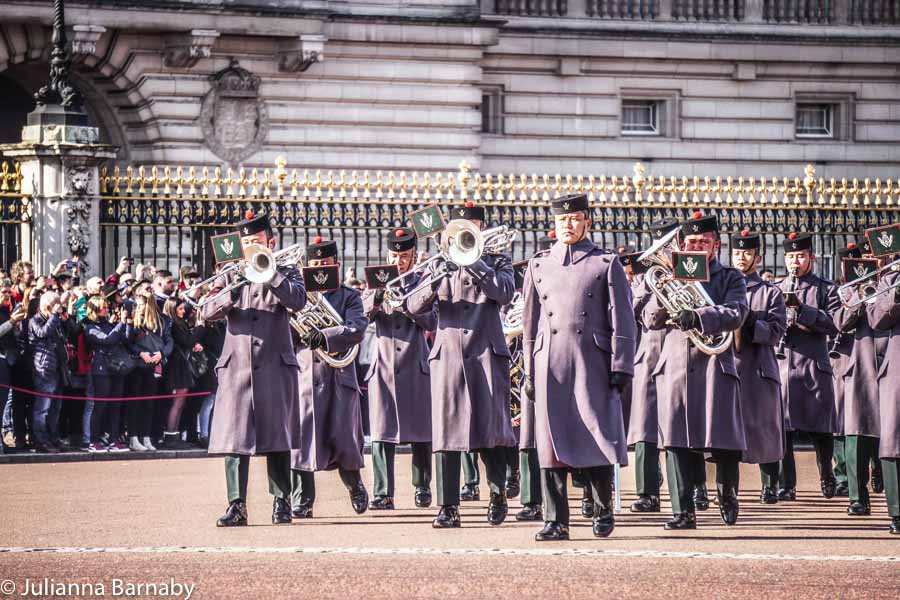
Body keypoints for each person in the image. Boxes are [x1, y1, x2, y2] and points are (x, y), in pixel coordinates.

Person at [522, 193, 636, 541]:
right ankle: (556, 520)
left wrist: (621, 364)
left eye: (574, 219)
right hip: (550, 362)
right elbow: (530, 323)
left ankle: (602, 509)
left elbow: (624, 319)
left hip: (592, 361)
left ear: (587, 221)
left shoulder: (605, 263)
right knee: (550, 443)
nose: (567, 225)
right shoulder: (538, 265)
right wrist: (529, 369)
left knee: (595, 433)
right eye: (561, 220)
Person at [407, 201, 517, 528]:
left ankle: (497, 494)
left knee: (491, 430)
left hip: (485, 354)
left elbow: (505, 293)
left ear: (482, 228)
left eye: (472, 228)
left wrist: (477, 263)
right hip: (449, 358)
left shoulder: (498, 260)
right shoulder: (438, 264)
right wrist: (435, 276)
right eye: (459, 230)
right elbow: (413, 306)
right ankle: (448, 506)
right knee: (447, 434)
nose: (466, 234)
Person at [202, 211, 307, 527]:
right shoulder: (229, 274)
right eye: (245, 243)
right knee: (235, 439)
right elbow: (207, 312)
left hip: (274, 364)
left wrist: (271, 275)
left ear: (270, 243)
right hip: (237, 368)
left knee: (277, 436)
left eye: (256, 242)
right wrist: (231, 287)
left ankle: (282, 501)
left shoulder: (287, 271)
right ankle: (237, 504)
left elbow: (298, 301)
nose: (250, 248)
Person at [645, 211, 749, 530]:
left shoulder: (731, 277)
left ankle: (727, 493)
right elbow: (649, 319)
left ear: (715, 245)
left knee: (723, 437)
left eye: (704, 241)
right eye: (691, 242)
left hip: (715, 364)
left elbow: (737, 313)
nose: (697, 246)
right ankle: (682, 510)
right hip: (677, 364)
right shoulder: (670, 275)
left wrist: (699, 315)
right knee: (676, 439)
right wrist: (667, 301)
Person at [290, 236, 370, 518]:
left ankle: (355, 485)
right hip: (305, 374)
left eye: (326, 263)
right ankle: (303, 499)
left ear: (335, 263)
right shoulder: (298, 296)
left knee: (344, 437)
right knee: (302, 439)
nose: (320, 267)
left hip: (338, 374)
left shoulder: (349, 295)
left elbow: (357, 327)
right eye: (315, 263)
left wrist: (323, 335)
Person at [362, 228, 437, 510]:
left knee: (421, 432)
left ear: (413, 257)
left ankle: (422, 486)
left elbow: (433, 321)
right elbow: (362, 314)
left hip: (415, 362)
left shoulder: (422, 281)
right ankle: (383, 492)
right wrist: (378, 297)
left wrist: (407, 306)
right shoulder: (375, 281)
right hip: (382, 365)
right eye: (394, 256)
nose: (399, 262)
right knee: (382, 433)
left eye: (404, 256)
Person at [777, 232, 841, 501]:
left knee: (820, 430)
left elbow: (834, 323)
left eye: (800, 256)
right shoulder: (777, 287)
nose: (795, 261)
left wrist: (803, 311)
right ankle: (786, 483)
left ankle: (827, 475)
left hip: (814, 366)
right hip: (784, 367)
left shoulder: (826, 288)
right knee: (784, 431)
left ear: (811, 258)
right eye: (791, 256)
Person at [731, 230, 787, 504]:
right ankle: (729, 489)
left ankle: (769, 484)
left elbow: (777, 331)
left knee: (765, 429)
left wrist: (753, 324)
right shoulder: (724, 288)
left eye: (747, 253)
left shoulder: (770, 292)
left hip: (759, 367)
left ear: (757, 257)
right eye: (737, 253)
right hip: (730, 366)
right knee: (729, 431)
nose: (742, 257)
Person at [627, 217, 680, 513]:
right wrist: (652, 288)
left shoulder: (693, 271)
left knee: (681, 424)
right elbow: (636, 313)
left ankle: (691, 489)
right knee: (644, 427)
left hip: (680, 354)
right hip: (649, 355)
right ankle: (647, 492)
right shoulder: (643, 277)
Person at [835, 244, 884, 516]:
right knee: (856, 432)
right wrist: (858, 297)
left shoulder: (891, 282)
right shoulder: (846, 290)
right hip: (861, 365)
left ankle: (882, 472)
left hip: (890, 361)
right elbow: (840, 322)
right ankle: (857, 496)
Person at [515, 231, 557, 522]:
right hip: (539, 356)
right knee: (530, 434)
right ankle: (531, 499)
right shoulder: (537, 269)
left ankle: (590, 496)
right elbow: (528, 320)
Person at [866, 259, 900, 534]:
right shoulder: (890, 279)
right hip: (897, 365)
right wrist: (896, 294)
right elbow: (877, 319)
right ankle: (897, 512)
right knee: (893, 438)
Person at [831, 243, 864, 498]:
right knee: (843, 422)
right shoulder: (838, 291)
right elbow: (837, 323)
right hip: (844, 360)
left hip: (874, 359)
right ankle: (844, 476)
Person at [83, 295, 132, 453]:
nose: (106, 309)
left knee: (115, 405)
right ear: (95, 310)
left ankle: (114, 439)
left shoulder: (110, 325)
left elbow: (125, 339)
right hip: (100, 370)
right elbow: (107, 340)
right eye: (103, 308)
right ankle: (94, 441)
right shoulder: (90, 327)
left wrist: (126, 323)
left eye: (106, 307)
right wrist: (120, 324)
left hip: (117, 368)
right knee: (100, 405)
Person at [28, 291, 76, 453]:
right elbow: (42, 333)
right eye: (57, 306)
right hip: (44, 369)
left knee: (56, 408)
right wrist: (55, 316)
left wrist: (66, 319)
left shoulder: (54, 320)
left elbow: (72, 333)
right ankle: (41, 440)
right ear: (48, 306)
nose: (60, 309)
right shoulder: (35, 320)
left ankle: (53, 438)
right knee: (42, 409)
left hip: (58, 369)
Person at [126, 289, 172, 452]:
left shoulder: (161, 322)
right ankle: (133, 437)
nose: (138, 308)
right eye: (136, 305)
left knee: (149, 404)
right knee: (135, 404)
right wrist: (140, 353)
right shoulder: (133, 322)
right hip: (137, 366)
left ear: (149, 305)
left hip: (154, 366)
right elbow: (127, 342)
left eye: (141, 305)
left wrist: (161, 353)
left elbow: (169, 341)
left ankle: (146, 437)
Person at [161, 297, 203, 449]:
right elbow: (187, 341)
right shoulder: (172, 325)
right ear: (172, 309)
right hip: (176, 366)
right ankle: (170, 436)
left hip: (181, 365)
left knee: (181, 402)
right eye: (180, 308)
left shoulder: (180, 323)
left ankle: (175, 434)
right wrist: (199, 328)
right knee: (177, 402)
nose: (183, 311)